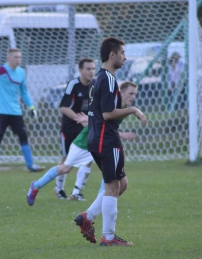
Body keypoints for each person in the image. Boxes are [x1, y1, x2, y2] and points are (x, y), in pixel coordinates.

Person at [74, 36, 147, 246]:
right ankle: (108, 237)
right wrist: (134, 110)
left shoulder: (99, 77)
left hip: (98, 138)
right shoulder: (107, 79)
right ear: (112, 54)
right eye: (122, 53)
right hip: (106, 140)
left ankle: (87, 216)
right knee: (113, 187)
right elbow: (107, 114)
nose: (125, 57)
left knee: (121, 184)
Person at [26, 81, 138, 206]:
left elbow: (110, 129)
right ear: (121, 93)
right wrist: (122, 135)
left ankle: (99, 203)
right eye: (131, 93)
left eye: (135, 94)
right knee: (65, 168)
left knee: (109, 169)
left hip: (102, 142)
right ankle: (36, 186)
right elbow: (99, 123)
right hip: (85, 142)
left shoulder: (124, 109)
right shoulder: (110, 103)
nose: (133, 97)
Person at [54, 58, 95, 200]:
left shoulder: (95, 86)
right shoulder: (74, 85)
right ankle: (59, 189)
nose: (91, 72)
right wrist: (80, 119)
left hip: (85, 128)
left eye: (93, 68)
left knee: (89, 158)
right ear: (80, 70)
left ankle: (76, 192)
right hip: (70, 128)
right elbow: (64, 108)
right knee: (66, 160)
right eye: (88, 69)